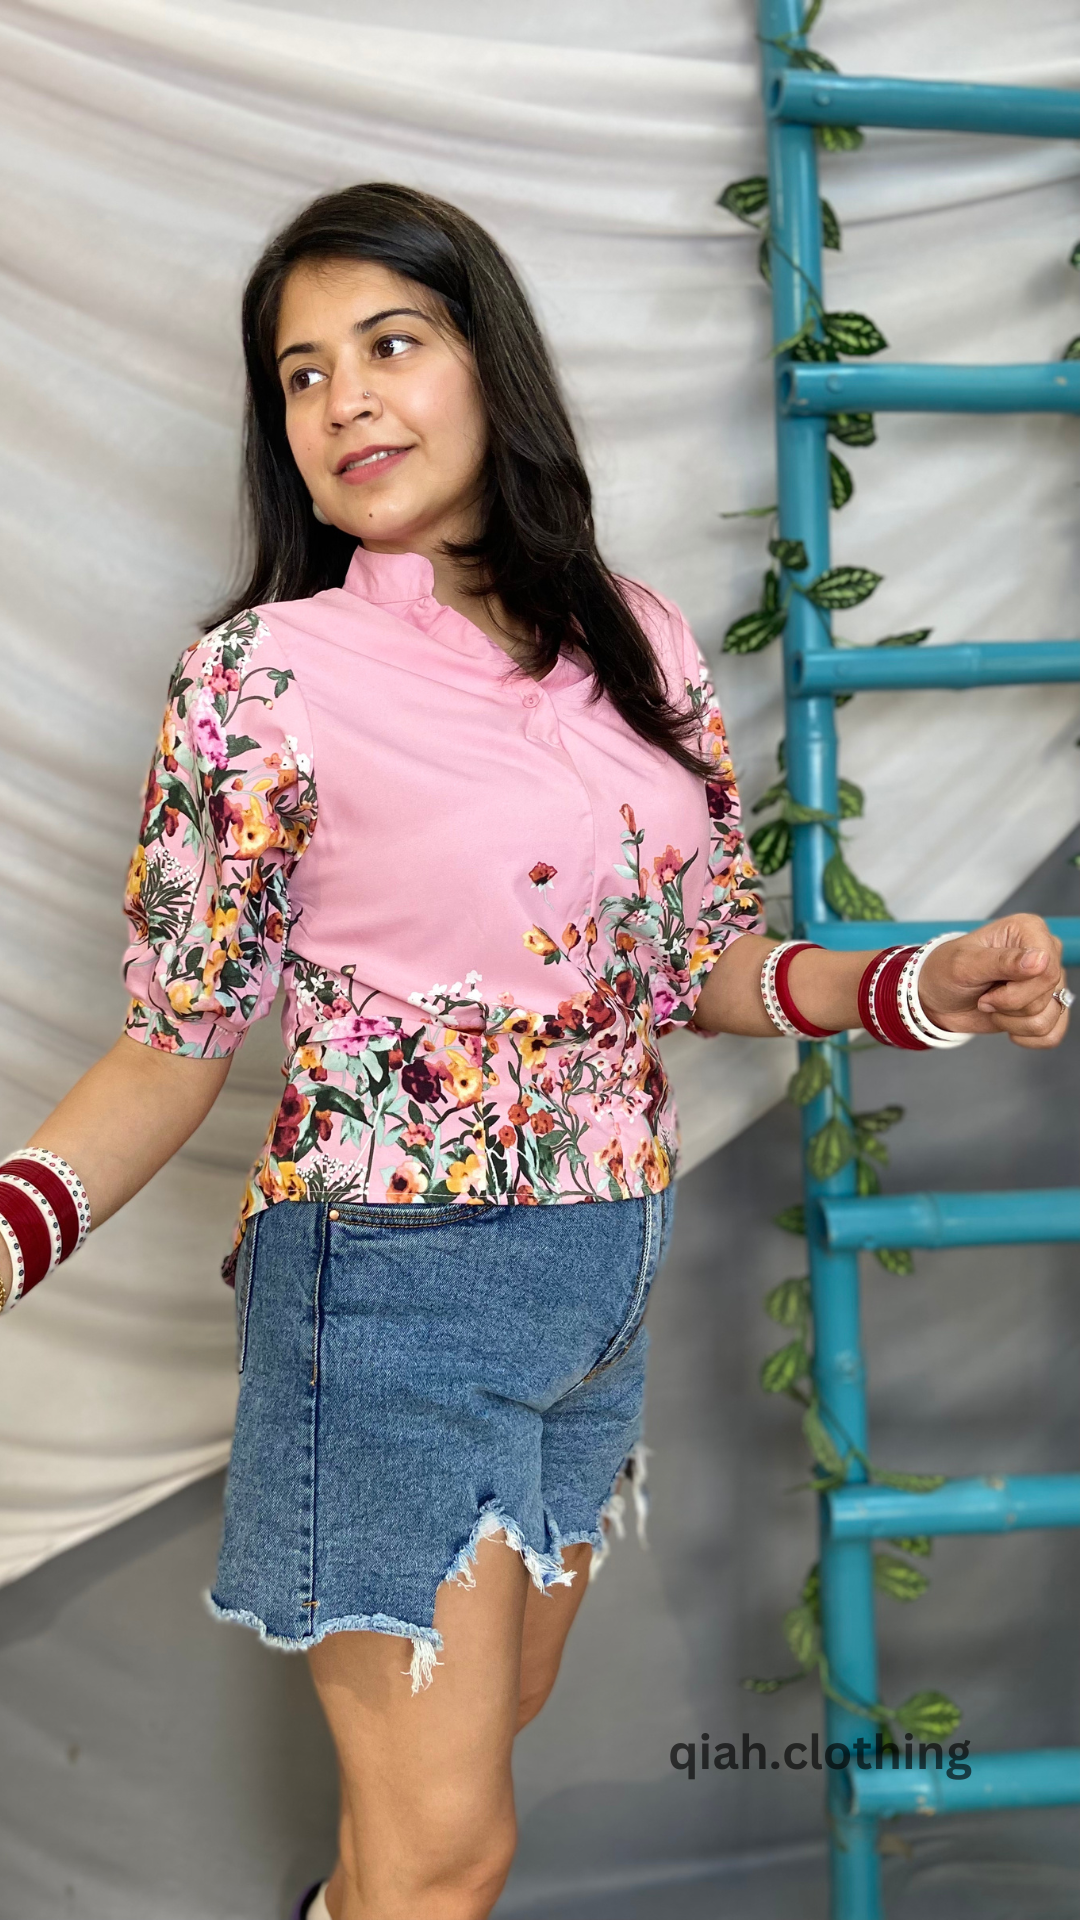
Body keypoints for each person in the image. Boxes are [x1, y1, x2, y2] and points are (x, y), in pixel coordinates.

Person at [0, 184, 1070, 1920]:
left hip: (596, 1291)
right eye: (300, 372)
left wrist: (931, 979)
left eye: (391, 344)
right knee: (448, 1860)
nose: (345, 398)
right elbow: (171, 1045)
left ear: (488, 364)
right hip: (391, 1291)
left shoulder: (635, 643)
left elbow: (704, 969)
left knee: (454, 1788)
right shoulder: (262, 678)